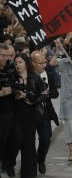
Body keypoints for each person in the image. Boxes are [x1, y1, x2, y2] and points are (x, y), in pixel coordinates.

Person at [7, 53, 47, 178]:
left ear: (26, 63)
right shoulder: (12, 78)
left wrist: (32, 99)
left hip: (30, 116)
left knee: (28, 146)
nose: (18, 65)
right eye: (16, 62)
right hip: (15, 115)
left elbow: (44, 94)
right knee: (16, 141)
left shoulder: (35, 77)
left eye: (20, 62)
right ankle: (10, 163)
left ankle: (29, 174)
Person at [31, 50, 59, 176]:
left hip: (45, 112)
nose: (43, 65)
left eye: (45, 62)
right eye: (40, 63)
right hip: (30, 113)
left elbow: (55, 93)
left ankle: (40, 159)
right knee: (28, 141)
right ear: (33, 64)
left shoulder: (49, 75)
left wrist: (47, 92)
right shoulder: (28, 76)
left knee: (45, 139)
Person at [0, 43, 15, 176]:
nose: (5, 58)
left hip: (7, 111)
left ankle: (5, 162)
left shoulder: (11, 69)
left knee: (5, 139)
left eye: (6, 55)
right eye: (2, 55)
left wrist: (13, 90)